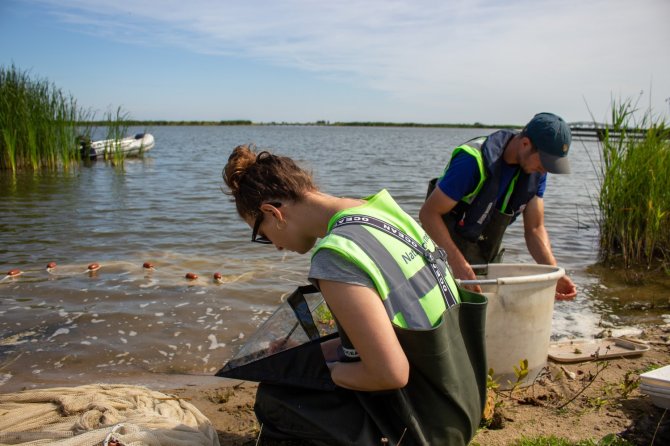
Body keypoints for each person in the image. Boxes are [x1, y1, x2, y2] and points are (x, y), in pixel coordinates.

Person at [222, 144, 488, 445]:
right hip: (463, 400)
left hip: (427, 428)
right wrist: (315, 354)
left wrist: (329, 371)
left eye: (263, 235)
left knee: (278, 398)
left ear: (272, 212)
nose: (276, 246)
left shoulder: (335, 256)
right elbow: (403, 320)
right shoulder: (382, 212)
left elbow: (391, 374)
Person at [419, 112, 577, 300]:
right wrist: (459, 266)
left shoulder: (536, 172)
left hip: (482, 254)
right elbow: (428, 214)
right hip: (441, 251)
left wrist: (555, 273)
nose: (546, 170)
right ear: (525, 144)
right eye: (545, 162)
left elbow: (535, 228)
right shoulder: (471, 161)